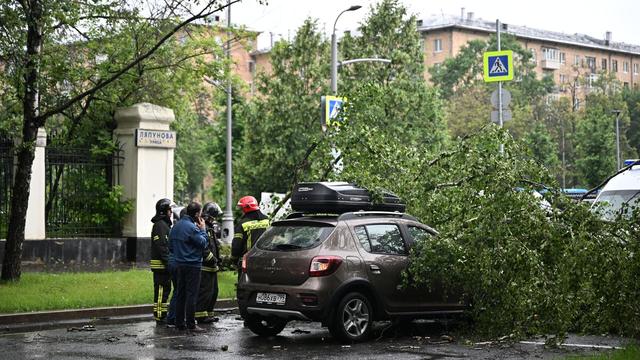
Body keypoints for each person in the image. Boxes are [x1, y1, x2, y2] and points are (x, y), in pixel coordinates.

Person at [169, 202, 209, 333]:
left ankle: (179, 323)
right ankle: (191, 324)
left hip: (179, 264)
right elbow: (203, 243)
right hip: (193, 265)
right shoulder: (192, 228)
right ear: (197, 213)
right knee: (191, 295)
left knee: (180, 294)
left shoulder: (176, 226)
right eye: (200, 212)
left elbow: (170, 246)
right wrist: (203, 229)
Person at [195, 202, 222, 324]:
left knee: (213, 292)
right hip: (205, 266)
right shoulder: (203, 228)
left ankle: (209, 314)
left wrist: (218, 259)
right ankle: (200, 316)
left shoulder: (209, 228)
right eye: (214, 216)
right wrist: (212, 258)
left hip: (212, 266)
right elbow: (204, 247)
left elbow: (213, 245)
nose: (215, 219)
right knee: (204, 292)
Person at [231, 196, 270, 272]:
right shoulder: (267, 220)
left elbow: (236, 246)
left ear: (246, 208)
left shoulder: (242, 224)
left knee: (246, 283)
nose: (241, 211)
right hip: (265, 260)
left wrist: (233, 260)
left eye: (242, 208)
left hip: (247, 261)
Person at [150, 198, 173, 323]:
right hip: (161, 265)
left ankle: (162, 313)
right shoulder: (160, 226)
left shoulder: (164, 225)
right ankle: (159, 315)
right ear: (164, 211)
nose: (171, 212)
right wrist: (168, 262)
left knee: (165, 291)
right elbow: (162, 246)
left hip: (164, 264)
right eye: (170, 209)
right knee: (160, 292)